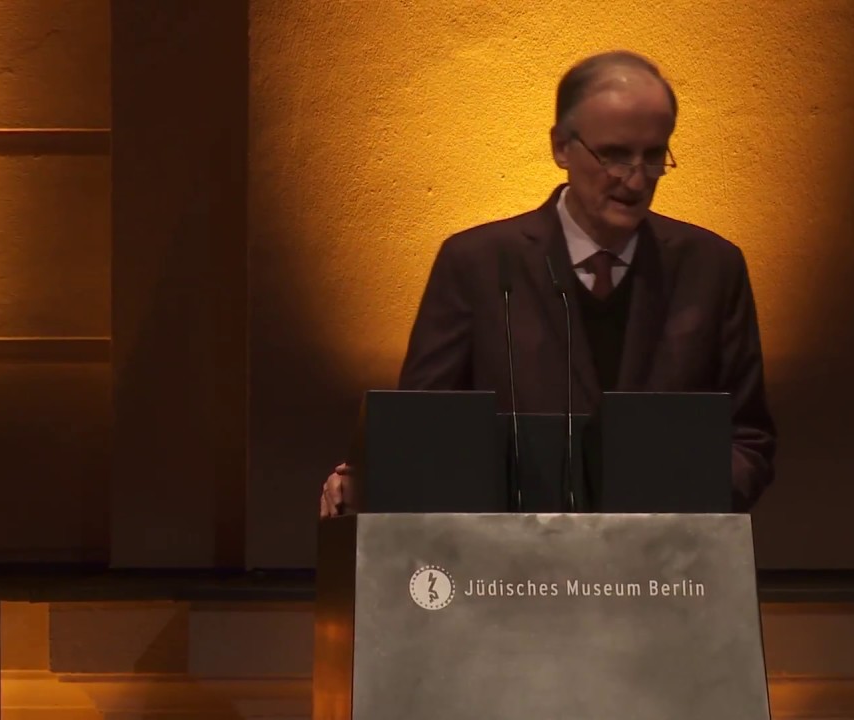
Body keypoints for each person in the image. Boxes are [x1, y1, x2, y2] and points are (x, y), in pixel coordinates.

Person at [320, 50, 775, 518]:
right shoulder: (477, 263)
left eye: (654, 156)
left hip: (667, 568)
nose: (636, 180)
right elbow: (425, 433)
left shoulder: (712, 267)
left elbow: (749, 441)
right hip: (510, 568)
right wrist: (371, 478)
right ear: (560, 147)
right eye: (615, 156)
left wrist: (688, 492)